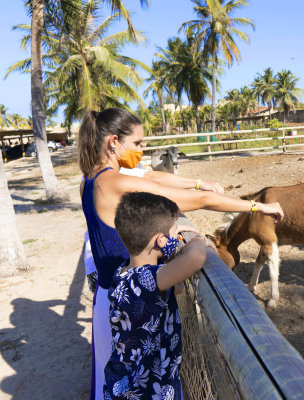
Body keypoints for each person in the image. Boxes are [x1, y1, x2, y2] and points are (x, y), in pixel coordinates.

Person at [78, 108, 284, 400]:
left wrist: (197, 181)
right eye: (137, 143)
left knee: (112, 382)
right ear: (114, 142)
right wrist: (257, 207)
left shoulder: (90, 180)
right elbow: (197, 201)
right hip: (132, 310)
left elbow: (151, 177)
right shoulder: (113, 182)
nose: (141, 149)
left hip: (110, 297)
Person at [104, 191, 203, 400]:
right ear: (160, 240)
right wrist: (197, 240)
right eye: (174, 234)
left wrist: (170, 241)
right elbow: (196, 257)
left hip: (134, 383)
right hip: (147, 390)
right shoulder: (144, 279)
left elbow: (177, 288)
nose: (177, 238)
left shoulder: (124, 272)